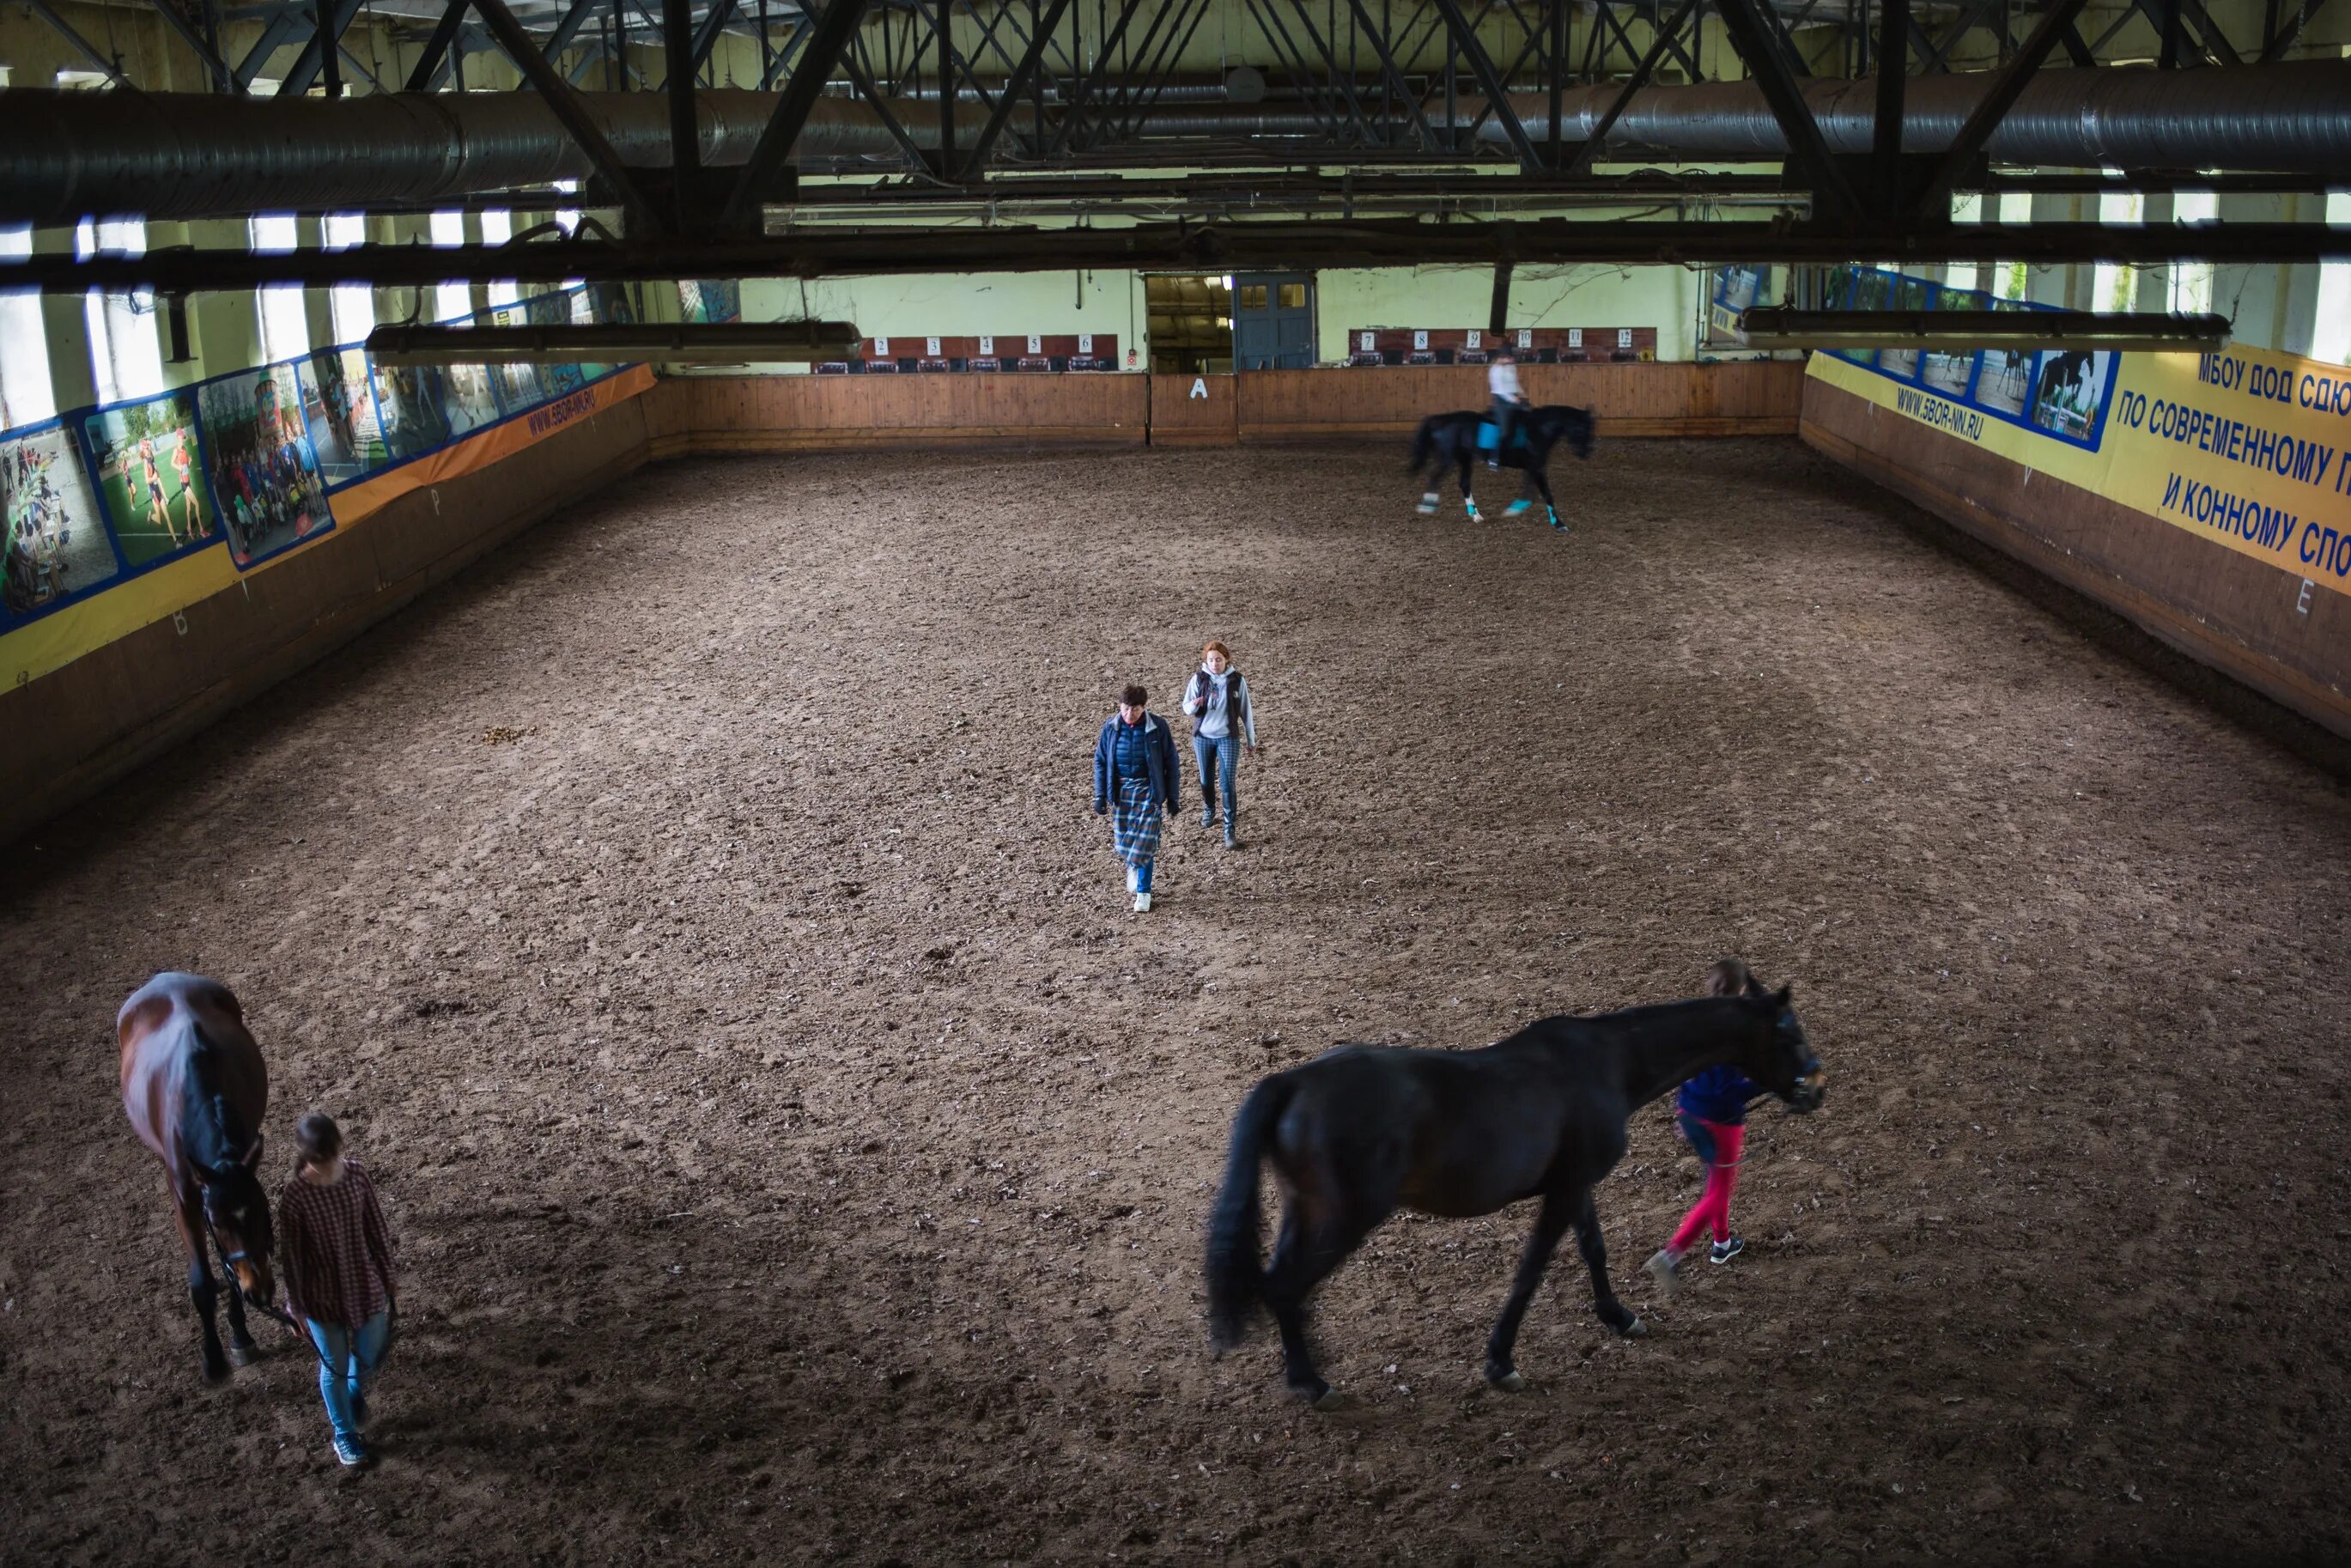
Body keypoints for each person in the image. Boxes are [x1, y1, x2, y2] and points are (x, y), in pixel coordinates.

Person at [277, 1112, 398, 1467]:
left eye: (332, 1155)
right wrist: (295, 1306)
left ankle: (355, 1389)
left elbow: (376, 1226)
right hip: (321, 1294)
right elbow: (292, 1258)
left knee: (371, 1351)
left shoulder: (357, 1174)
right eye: (321, 1159)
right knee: (334, 1364)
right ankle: (344, 1435)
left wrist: (388, 1271)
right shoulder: (296, 1197)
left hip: (363, 1280)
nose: (329, 1164)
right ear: (308, 1157)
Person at [1644, 958, 1761, 1297]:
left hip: (1690, 1113)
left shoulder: (1695, 1019)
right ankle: (1671, 1254)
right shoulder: (1739, 1029)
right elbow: (1732, 1089)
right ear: (1741, 989)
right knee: (1718, 1190)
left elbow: (1681, 1068)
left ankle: (1722, 1243)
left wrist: (1681, 1110)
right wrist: (1766, 1087)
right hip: (1721, 1119)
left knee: (1716, 1180)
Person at [1091, 682, 1181, 913]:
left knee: (1146, 844)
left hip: (1148, 792)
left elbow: (1171, 762)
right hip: (1121, 793)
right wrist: (1100, 795)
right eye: (1125, 709)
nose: (1129, 715)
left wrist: (1172, 797)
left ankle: (1144, 892)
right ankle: (1132, 863)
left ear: (1144, 708)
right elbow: (1101, 761)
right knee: (1124, 843)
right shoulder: (1110, 728)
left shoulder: (1158, 727)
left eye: (1135, 710)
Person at [1180, 640, 1261, 851]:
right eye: (1211, 660)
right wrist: (1194, 705)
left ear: (1226, 660)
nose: (1215, 664)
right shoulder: (1198, 678)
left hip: (1228, 737)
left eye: (1219, 660)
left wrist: (1250, 738)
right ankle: (1209, 809)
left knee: (1228, 782)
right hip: (1203, 737)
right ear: (1206, 661)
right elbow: (1186, 706)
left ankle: (1229, 829)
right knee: (1206, 778)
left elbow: (1246, 711)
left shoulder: (1236, 680)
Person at [1487, 349, 1528, 471]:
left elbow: (1515, 383)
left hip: (1514, 397)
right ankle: (1493, 459)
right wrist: (1514, 399)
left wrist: (1523, 394)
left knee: (1526, 417)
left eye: (1511, 358)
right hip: (1502, 401)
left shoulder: (1511, 367)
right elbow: (1500, 389)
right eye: (1509, 358)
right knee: (1505, 431)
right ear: (1501, 357)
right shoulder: (1495, 370)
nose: (1511, 360)